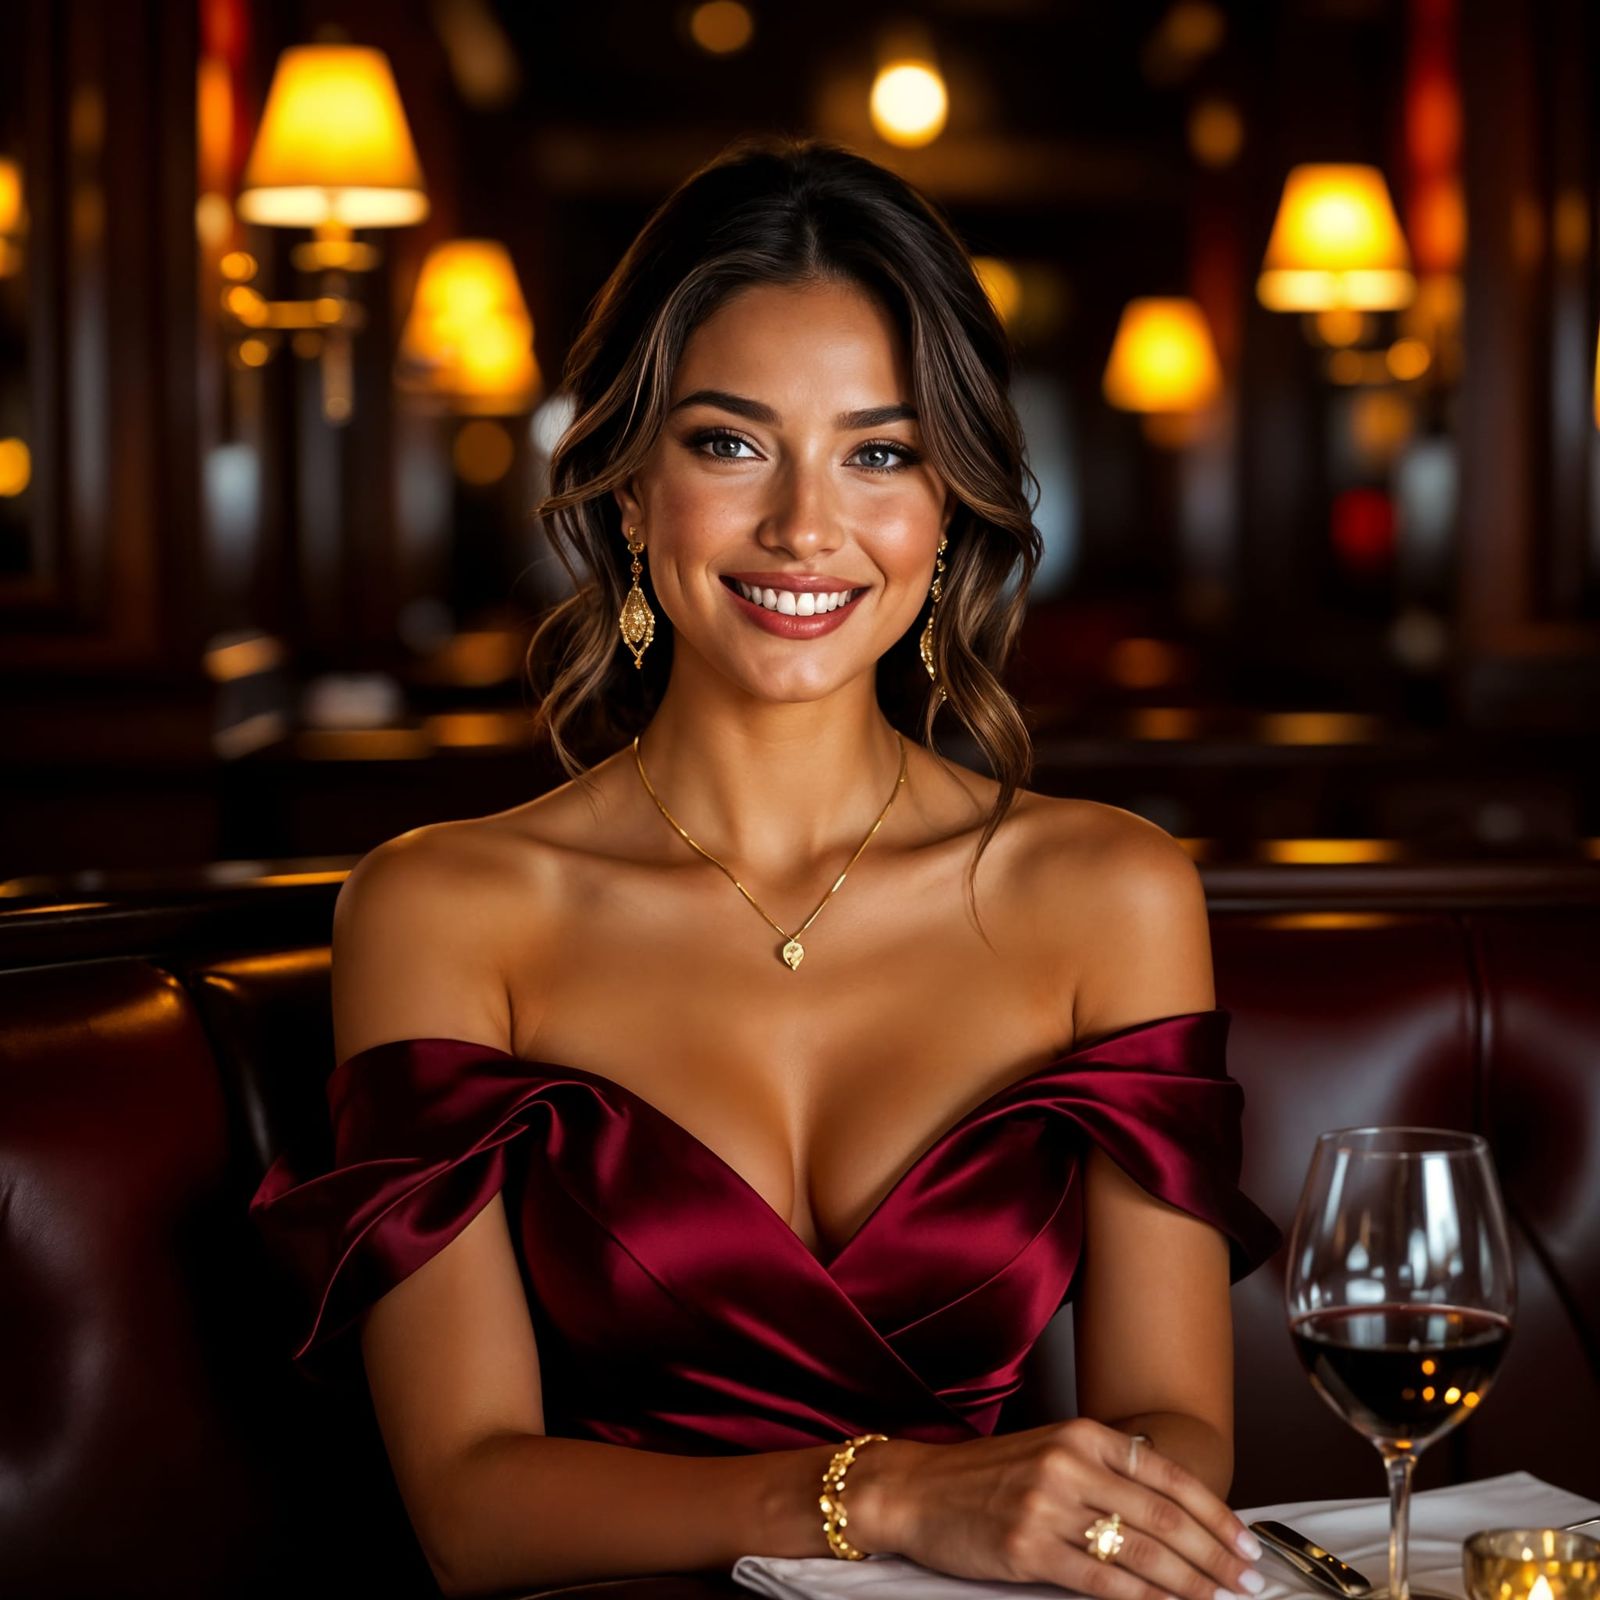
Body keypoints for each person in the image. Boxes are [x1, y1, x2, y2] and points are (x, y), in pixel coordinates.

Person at [250, 132, 1282, 1600]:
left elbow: (1176, 1425)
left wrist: (1051, 1517)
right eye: (729, 443)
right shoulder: (442, 908)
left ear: (947, 511)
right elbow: (471, 1504)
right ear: (624, 488)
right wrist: (895, 1495)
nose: (806, 527)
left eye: (880, 453)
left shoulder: (1108, 894)